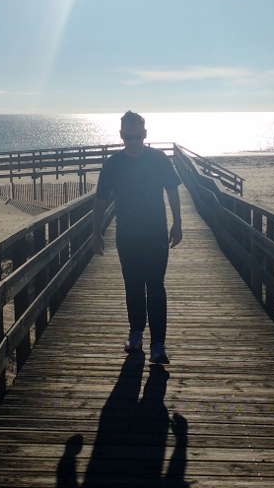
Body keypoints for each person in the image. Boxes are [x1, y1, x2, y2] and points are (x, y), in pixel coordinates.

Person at [93, 111, 182, 364]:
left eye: (137, 137)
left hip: (155, 234)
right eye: (128, 137)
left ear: (145, 134)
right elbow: (100, 199)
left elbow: (173, 190)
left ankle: (158, 344)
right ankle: (135, 334)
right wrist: (96, 231)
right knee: (132, 285)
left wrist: (178, 224)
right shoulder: (113, 164)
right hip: (127, 235)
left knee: (155, 286)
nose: (132, 142)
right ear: (121, 135)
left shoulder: (158, 159)